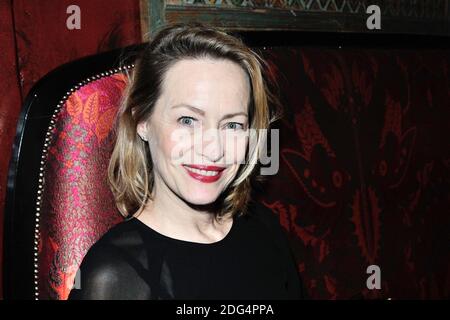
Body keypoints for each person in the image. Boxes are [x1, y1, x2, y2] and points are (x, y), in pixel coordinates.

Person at [68, 23, 305, 300]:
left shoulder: (264, 228)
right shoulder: (114, 275)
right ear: (142, 121)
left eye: (232, 125)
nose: (213, 150)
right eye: (188, 120)